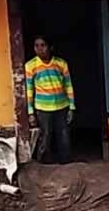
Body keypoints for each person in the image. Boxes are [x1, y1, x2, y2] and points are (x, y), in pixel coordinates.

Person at [25, 36, 75, 164]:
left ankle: (66, 164)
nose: (40, 49)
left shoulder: (61, 63)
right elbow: (29, 90)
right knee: (45, 137)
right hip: (42, 108)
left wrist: (71, 107)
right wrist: (31, 112)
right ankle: (43, 165)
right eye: (36, 46)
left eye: (43, 45)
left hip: (62, 106)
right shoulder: (30, 66)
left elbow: (68, 85)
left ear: (50, 47)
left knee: (63, 136)